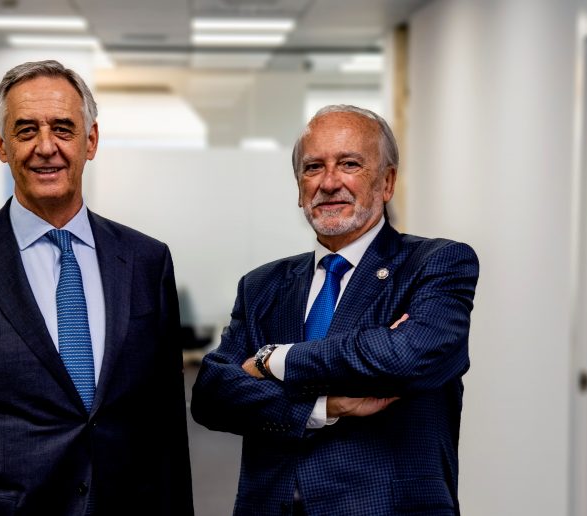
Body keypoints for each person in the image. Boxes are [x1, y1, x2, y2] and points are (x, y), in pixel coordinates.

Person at [0, 60, 193, 515]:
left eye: (63, 129)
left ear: (91, 141)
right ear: (2, 146)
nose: (46, 147)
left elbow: (166, 424)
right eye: (26, 131)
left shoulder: (146, 261)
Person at [191, 105, 479, 515]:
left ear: (387, 182)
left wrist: (273, 360)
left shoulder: (435, 264)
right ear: (299, 188)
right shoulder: (262, 285)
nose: (329, 182)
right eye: (313, 167)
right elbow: (212, 395)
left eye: (349, 164)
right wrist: (324, 406)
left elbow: (406, 357)